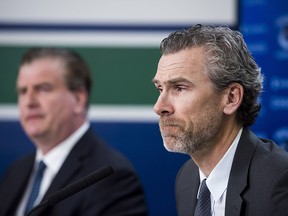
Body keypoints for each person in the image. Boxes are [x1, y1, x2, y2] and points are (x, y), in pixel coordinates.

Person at [152, 24, 288, 216]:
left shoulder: (279, 184)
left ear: (231, 98)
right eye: (160, 89)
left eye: (179, 88)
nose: (159, 107)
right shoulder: (187, 178)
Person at [0, 47, 148, 216]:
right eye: (23, 91)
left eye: (43, 88)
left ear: (78, 99)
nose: (29, 102)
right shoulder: (16, 171)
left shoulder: (111, 177)